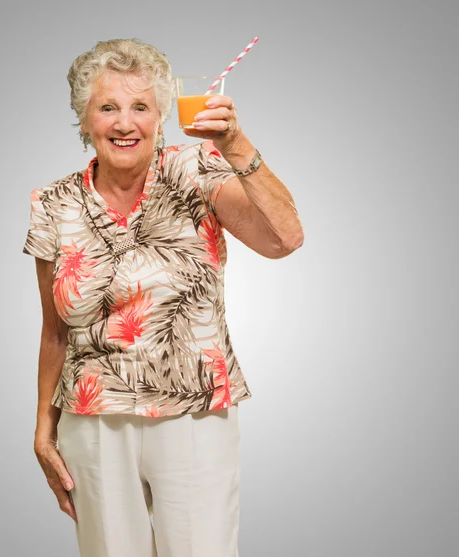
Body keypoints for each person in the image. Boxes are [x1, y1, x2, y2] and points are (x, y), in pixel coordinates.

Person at [22, 38, 303, 557]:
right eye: (108, 107)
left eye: (140, 107)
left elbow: (285, 239)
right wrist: (44, 428)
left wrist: (237, 146)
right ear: (84, 120)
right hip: (92, 417)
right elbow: (53, 328)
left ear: (160, 117)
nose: (124, 122)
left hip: (194, 413)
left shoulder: (198, 169)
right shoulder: (53, 203)